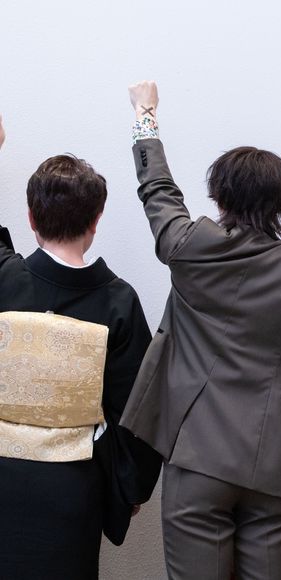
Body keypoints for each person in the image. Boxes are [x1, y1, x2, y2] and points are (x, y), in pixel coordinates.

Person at [119, 82, 281, 580]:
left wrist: (145, 114)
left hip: (195, 459)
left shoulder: (190, 246)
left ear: (219, 196)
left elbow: (158, 189)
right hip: (268, 466)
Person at [0, 114, 161, 579]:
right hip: (72, 487)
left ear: (30, 219)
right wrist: (130, 488)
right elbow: (139, 410)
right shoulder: (118, 302)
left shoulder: (4, 279)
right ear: (96, 220)